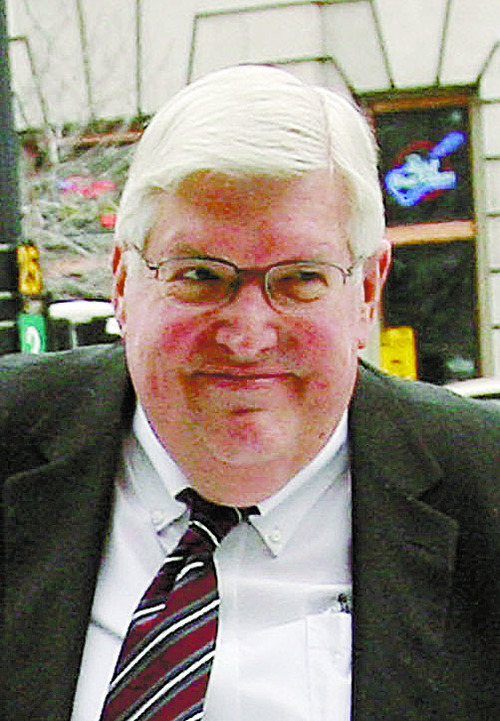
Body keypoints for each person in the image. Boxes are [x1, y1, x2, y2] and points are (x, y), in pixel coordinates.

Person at [1, 65, 498, 721]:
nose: (247, 333)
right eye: (200, 274)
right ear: (123, 280)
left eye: (298, 279)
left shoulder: (485, 495)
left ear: (367, 290)